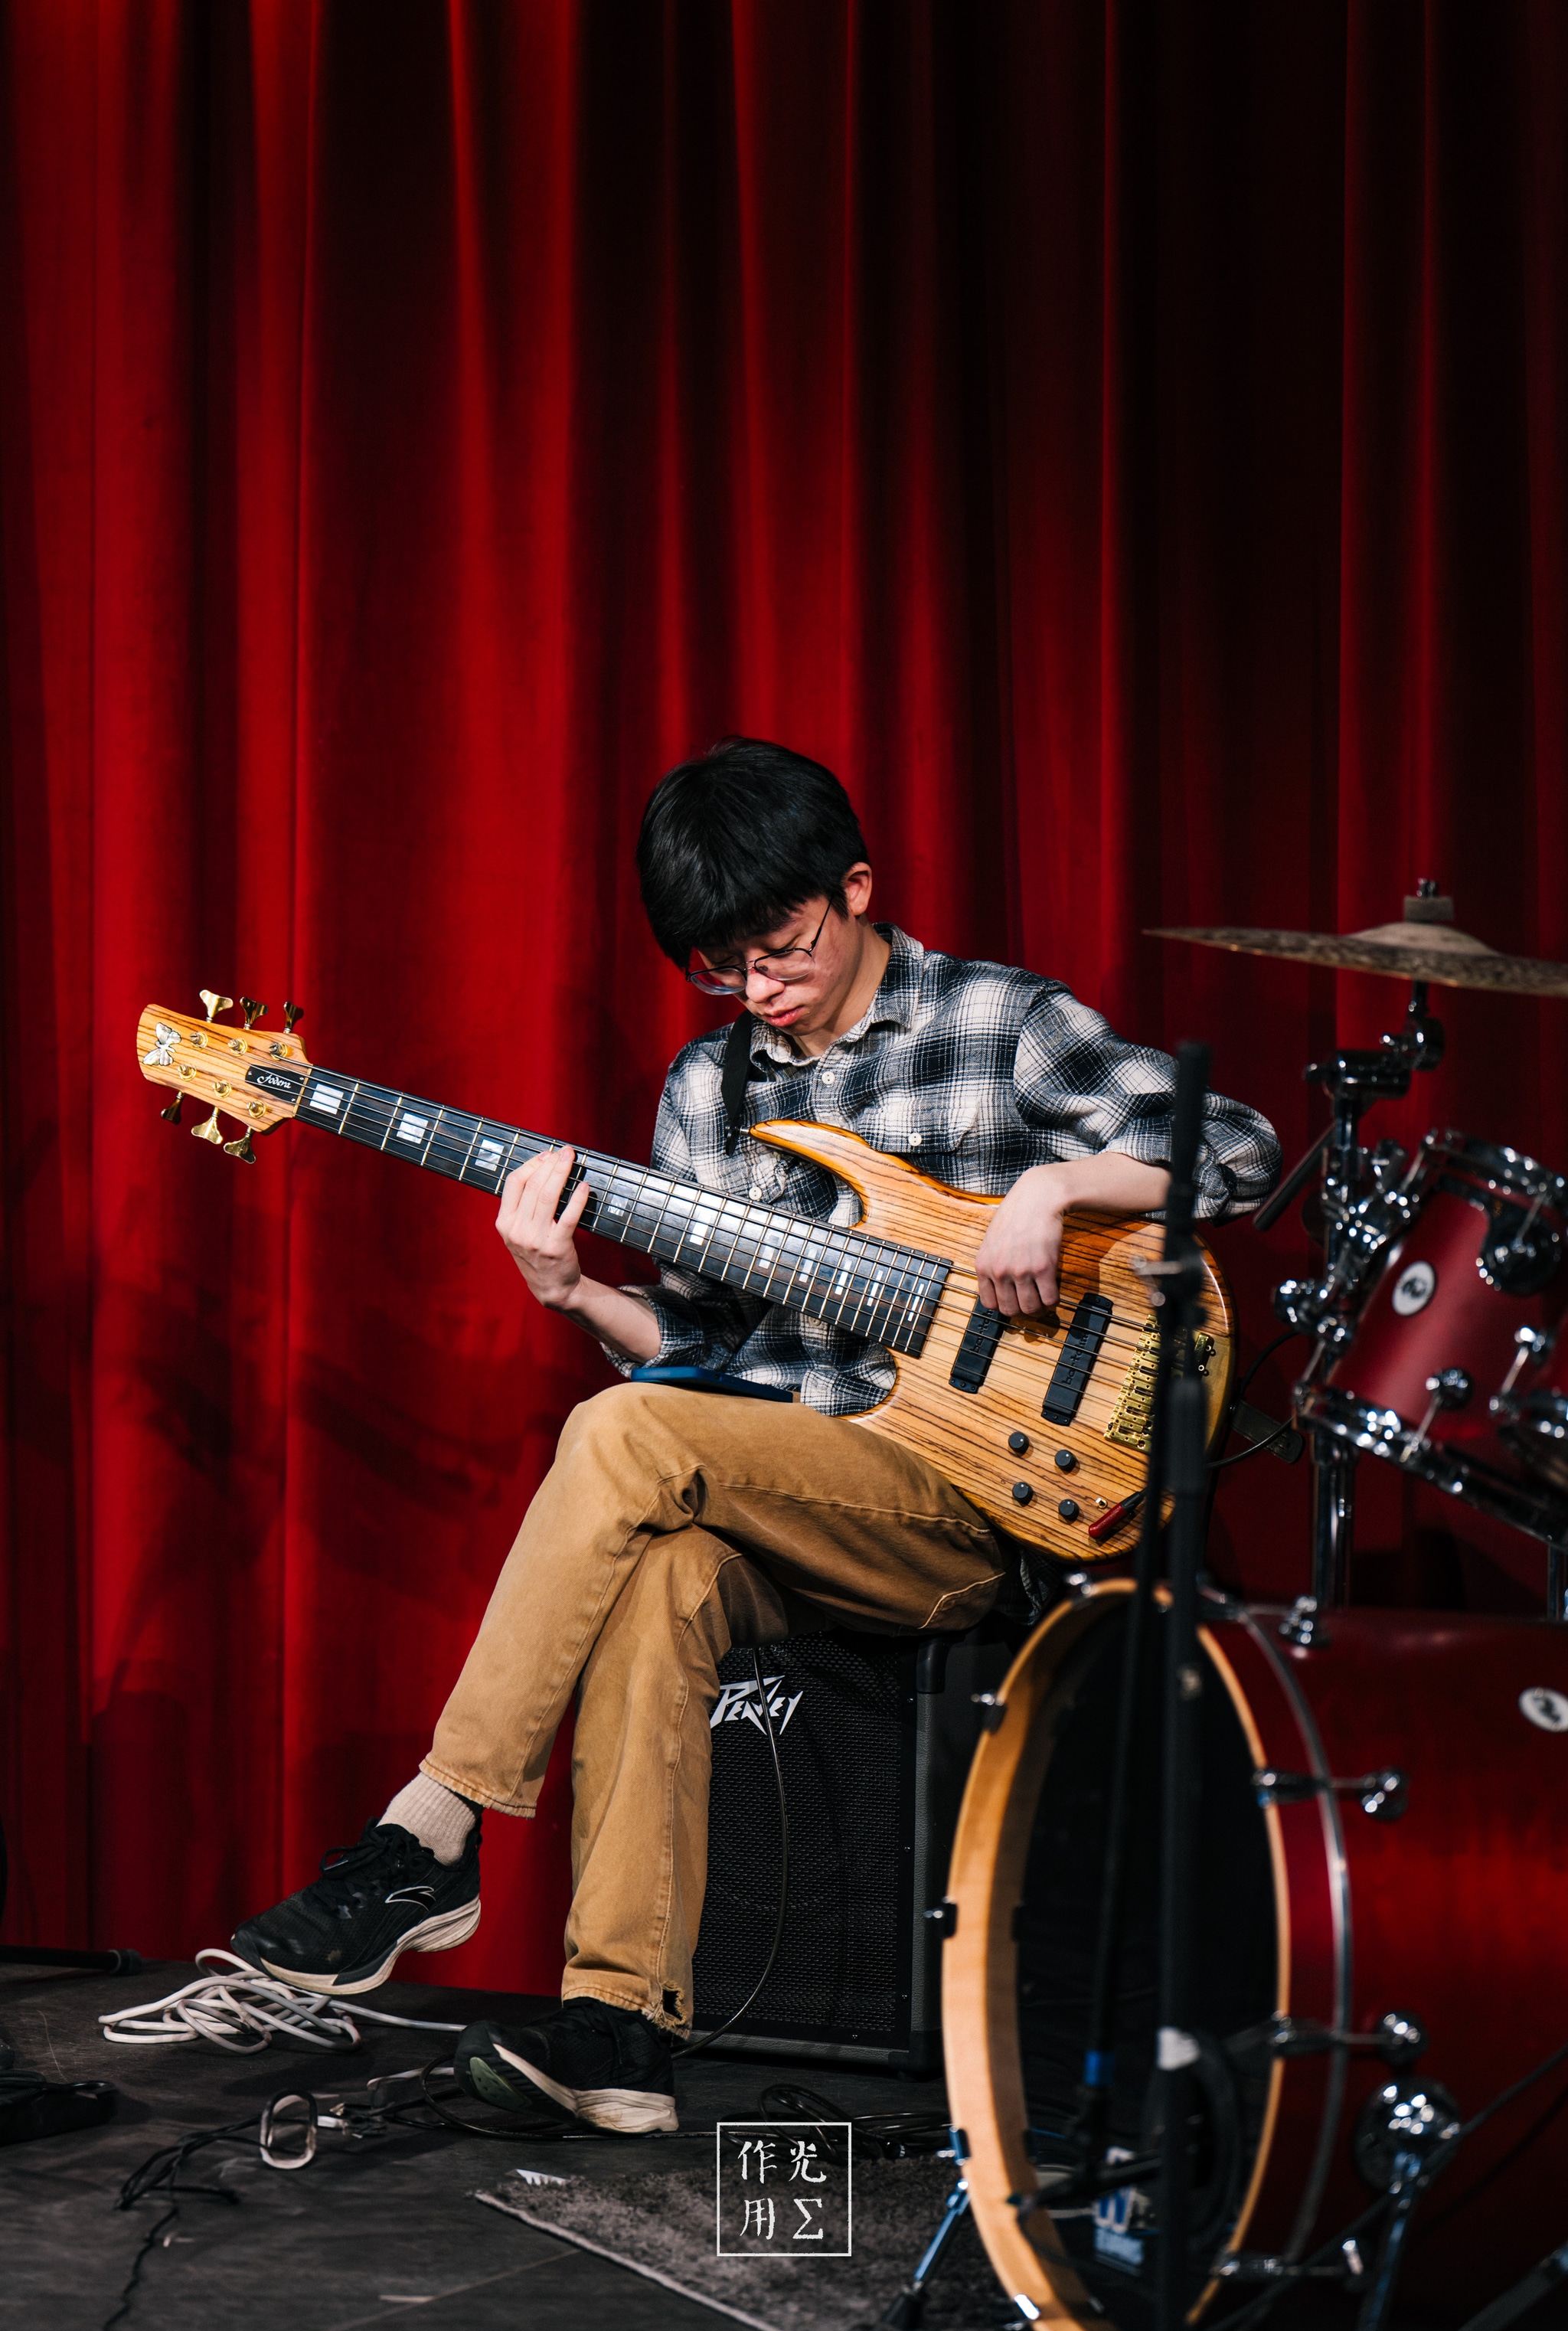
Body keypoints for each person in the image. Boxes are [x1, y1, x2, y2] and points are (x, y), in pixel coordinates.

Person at [233, 738, 1279, 2134]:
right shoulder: (708, 1093)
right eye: (723, 969)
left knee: (616, 1440)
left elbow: (1245, 1151)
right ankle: (619, 2032)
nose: (760, 990)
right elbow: (711, 1367)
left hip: (998, 1492)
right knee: (660, 1571)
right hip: (804, 1483)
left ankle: (431, 1829)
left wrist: (1068, 1183)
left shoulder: (998, 1023)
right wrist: (579, 1290)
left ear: (856, 891)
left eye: (782, 949)